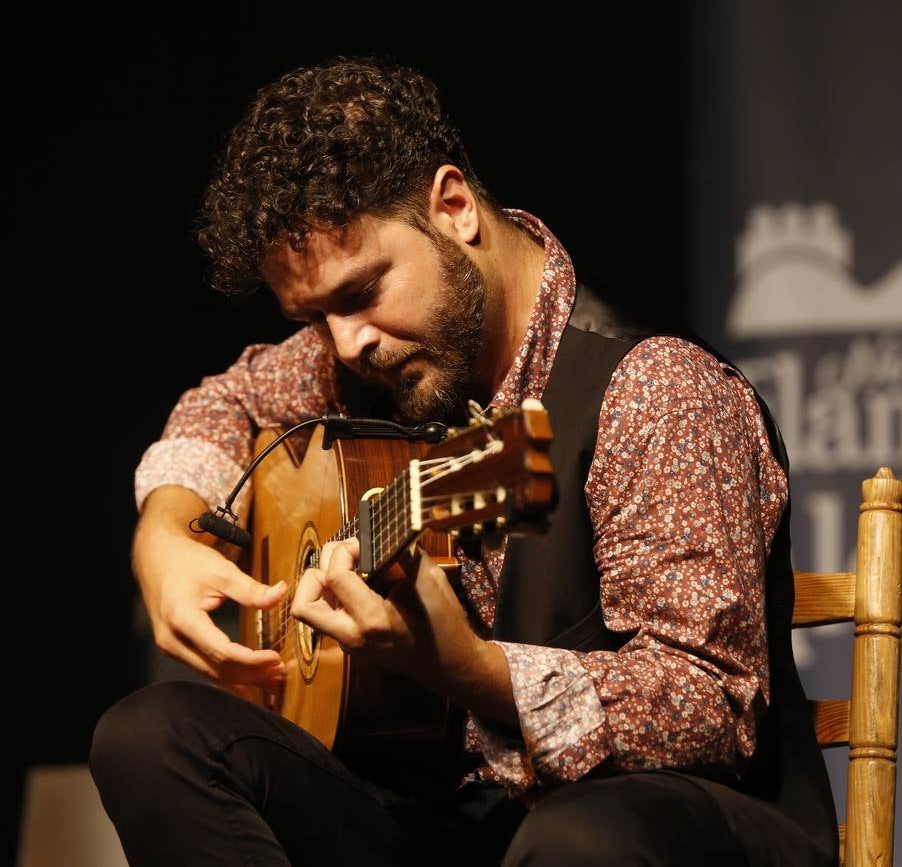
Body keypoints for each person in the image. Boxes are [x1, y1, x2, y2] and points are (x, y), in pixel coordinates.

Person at [91, 56, 838, 867]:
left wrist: (475, 671)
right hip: (461, 824)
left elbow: (708, 710)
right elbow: (228, 401)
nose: (349, 342)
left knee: (577, 840)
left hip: (668, 832)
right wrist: (164, 530)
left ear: (453, 208)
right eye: (314, 317)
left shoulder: (655, 390)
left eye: (358, 293)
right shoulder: (363, 358)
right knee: (150, 735)